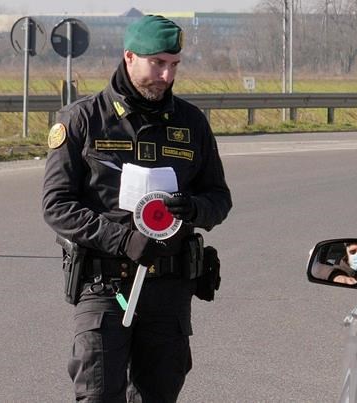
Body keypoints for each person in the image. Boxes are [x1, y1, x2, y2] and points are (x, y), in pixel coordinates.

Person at [42, 15, 232, 402]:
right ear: (129, 57)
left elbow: (219, 198)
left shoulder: (191, 123)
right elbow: (56, 205)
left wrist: (193, 208)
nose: (166, 75)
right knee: (98, 394)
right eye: (157, 63)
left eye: (174, 65)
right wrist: (121, 239)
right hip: (104, 285)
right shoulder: (82, 120)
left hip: (168, 290)